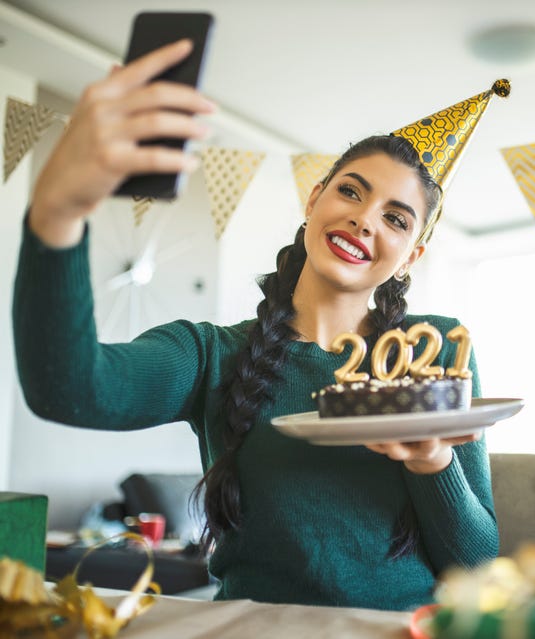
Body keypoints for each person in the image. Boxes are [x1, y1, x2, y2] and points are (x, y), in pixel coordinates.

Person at [12, 40, 499, 610]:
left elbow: (481, 568)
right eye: (350, 191)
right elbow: (69, 389)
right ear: (315, 199)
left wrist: (432, 461)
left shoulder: (434, 351)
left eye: (395, 218)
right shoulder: (210, 355)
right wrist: (58, 213)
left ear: (411, 255)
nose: (364, 220)